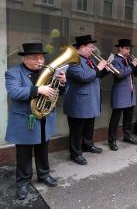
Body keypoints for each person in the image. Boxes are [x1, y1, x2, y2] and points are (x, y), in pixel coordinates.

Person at [5, 43, 66, 200]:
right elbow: (14, 92)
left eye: (41, 57)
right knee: (24, 154)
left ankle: (44, 174)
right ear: (25, 58)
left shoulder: (47, 72)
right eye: (35, 58)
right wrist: (37, 89)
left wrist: (62, 82)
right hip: (26, 119)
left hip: (44, 116)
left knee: (43, 149)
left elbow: (60, 92)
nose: (39, 61)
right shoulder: (13, 72)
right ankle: (23, 182)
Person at [64, 35, 108, 165]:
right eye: (90, 47)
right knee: (77, 129)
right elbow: (83, 76)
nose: (92, 49)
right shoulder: (73, 60)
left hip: (90, 98)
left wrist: (105, 70)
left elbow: (96, 75)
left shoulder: (88, 60)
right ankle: (75, 153)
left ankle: (87, 145)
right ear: (82, 47)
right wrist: (99, 68)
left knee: (89, 124)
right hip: (78, 101)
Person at [107, 39, 137, 151]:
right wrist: (131, 65)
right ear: (120, 48)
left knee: (128, 117)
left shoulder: (128, 60)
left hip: (130, 92)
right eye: (126, 48)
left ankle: (127, 135)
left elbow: (135, 74)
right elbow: (119, 75)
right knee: (116, 118)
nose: (128, 50)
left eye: (129, 48)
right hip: (120, 93)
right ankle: (112, 140)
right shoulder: (115, 60)